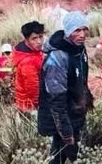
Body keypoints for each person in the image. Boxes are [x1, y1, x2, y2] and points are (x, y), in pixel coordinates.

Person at [38, 11, 93, 164]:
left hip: (74, 112)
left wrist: (86, 99)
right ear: (68, 31)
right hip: (63, 118)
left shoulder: (79, 49)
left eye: (84, 29)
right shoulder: (57, 59)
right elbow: (56, 100)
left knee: (59, 155)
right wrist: (66, 132)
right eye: (77, 30)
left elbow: (81, 80)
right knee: (73, 155)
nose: (82, 35)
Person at [13, 20, 46, 112]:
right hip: (30, 107)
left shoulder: (32, 52)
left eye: (41, 36)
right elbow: (33, 89)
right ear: (26, 40)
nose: (39, 41)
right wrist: (38, 108)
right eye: (34, 38)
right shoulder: (28, 62)